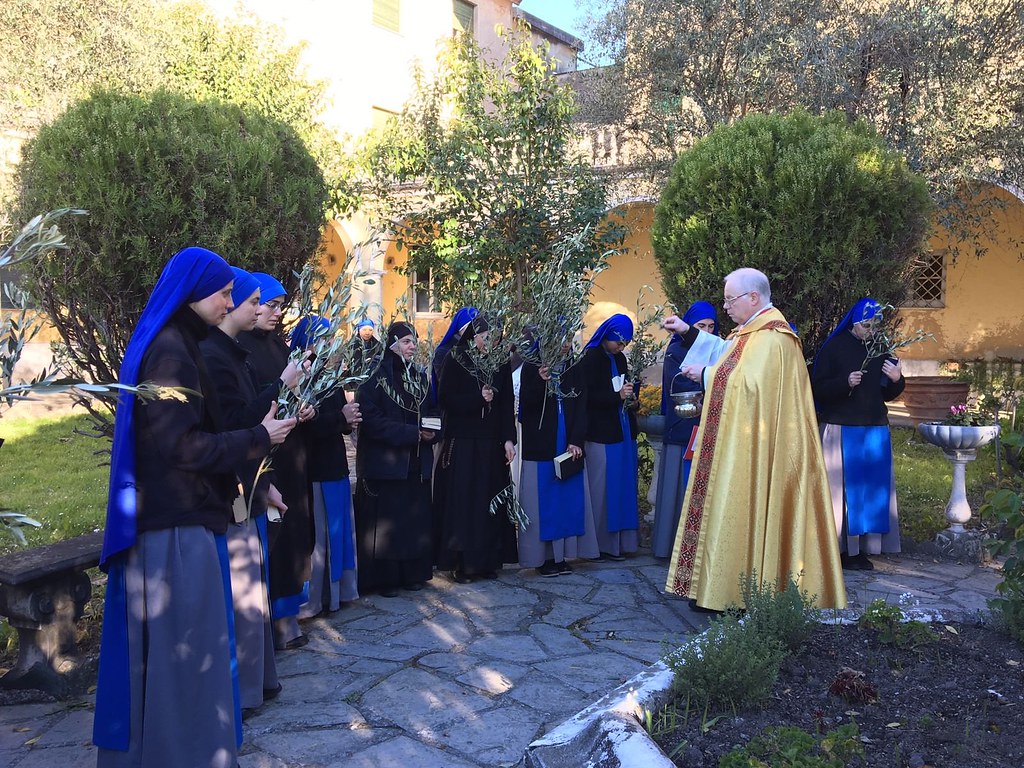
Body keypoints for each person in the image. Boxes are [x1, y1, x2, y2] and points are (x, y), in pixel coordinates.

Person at [94, 248, 295, 768]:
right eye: (225, 293)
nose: (231, 302)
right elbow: (180, 447)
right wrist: (258, 437)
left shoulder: (181, 344)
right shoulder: (171, 353)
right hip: (174, 529)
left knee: (182, 656)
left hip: (180, 519)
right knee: (184, 655)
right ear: (195, 293)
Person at [662, 268, 846, 611]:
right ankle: (717, 587)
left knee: (746, 502)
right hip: (740, 445)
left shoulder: (775, 338)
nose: (726, 306)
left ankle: (736, 593)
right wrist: (688, 333)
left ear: (753, 298)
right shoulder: (750, 333)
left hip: (760, 450)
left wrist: (704, 375)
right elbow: (727, 356)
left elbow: (748, 385)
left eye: (731, 299)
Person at [199, 266, 299, 712]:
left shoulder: (231, 353)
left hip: (251, 485)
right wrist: (282, 386)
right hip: (232, 490)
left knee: (251, 594)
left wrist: (266, 486)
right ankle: (240, 692)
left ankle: (255, 684)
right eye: (253, 301)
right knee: (240, 595)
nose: (262, 310)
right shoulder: (214, 356)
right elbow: (237, 427)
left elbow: (250, 420)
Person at [237, 274, 314, 650]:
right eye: (269, 304)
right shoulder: (239, 349)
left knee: (292, 537)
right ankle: (265, 624)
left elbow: (287, 395)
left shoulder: (280, 348)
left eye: (280, 306)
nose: (275, 312)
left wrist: (303, 407)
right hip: (262, 459)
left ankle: (287, 618)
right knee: (268, 539)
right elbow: (250, 410)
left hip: (291, 454)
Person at [812, 298, 905, 570]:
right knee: (840, 494)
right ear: (854, 323)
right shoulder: (834, 347)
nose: (871, 329)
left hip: (873, 428)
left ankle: (861, 550)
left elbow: (888, 392)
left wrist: (898, 379)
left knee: (869, 492)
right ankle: (837, 548)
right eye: (867, 324)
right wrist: (845, 383)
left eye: (876, 324)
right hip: (842, 427)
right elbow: (817, 389)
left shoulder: (881, 348)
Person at [354, 321, 437, 595]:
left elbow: (432, 410)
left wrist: (432, 432)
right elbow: (372, 420)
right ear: (392, 344)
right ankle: (386, 578)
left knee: (413, 520)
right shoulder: (375, 376)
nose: (412, 346)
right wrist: (410, 433)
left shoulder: (419, 376)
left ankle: (412, 574)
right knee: (389, 523)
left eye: (413, 341)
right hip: (387, 463)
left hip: (415, 462)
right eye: (406, 341)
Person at [433, 316, 518, 582]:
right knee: (465, 503)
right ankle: (462, 563)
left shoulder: (500, 361)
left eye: (494, 337)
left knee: (489, 502)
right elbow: (446, 398)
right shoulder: (456, 358)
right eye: (484, 336)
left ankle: (487, 560)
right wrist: (477, 399)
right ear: (473, 336)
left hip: (491, 443)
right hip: (464, 442)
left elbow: (506, 403)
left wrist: (508, 439)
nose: (488, 342)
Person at [292, 316, 362, 616]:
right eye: (324, 338)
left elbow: (335, 419)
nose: (332, 343)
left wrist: (347, 422)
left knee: (340, 532)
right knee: (321, 535)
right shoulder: (300, 378)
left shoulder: (328, 376)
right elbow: (306, 425)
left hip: (335, 464)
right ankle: (316, 598)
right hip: (315, 467)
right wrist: (341, 419)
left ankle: (341, 592)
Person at [517, 343, 597, 575]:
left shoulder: (574, 365)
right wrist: (540, 381)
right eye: (560, 339)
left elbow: (582, 404)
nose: (566, 345)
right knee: (544, 501)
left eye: (569, 339)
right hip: (542, 443)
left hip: (567, 440)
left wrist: (576, 439)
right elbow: (527, 404)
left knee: (566, 499)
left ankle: (561, 556)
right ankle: (543, 559)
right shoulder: (532, 364)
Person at [651, 301, 718, 559]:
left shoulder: (717, 348)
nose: (707, 332)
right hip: (682, 427)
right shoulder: (675, 351)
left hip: (709, 427)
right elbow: (675, 386)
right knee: (678, 488)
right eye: (701, 326)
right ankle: (672, 547)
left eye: (711, 326)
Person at [578, 313, 640, 561]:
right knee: (602, 489)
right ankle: (600, 545)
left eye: (625, 343)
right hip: (600, 434)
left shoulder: (621, 359)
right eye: (618, 341)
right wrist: (618, 397)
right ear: (607, 335)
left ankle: (620, 543)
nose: (621, 347)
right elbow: (587, 398)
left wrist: (632, 398)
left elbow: (623, 392)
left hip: (621, 431)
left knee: (621, 485)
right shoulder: (590, 360)